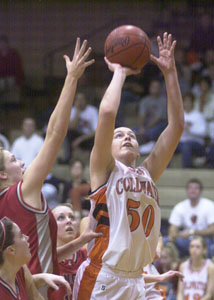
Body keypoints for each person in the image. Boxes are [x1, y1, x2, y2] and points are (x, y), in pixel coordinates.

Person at [73, 32, 184, 300]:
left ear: (138, 148)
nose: (127, 137)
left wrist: (170, 74)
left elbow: (177, 126)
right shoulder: (104, 170)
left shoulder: (147, 171)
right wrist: (120, 71)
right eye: (119, 135)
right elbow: (108, 113)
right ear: (106, 146)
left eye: (132, 135)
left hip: (137, 277)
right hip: (103, 276)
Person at [0, 38, 94, 299]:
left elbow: (43, 254)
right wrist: (71, 79)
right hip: (37, 292)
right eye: (15, 160)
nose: (22, 162)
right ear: (3, 175)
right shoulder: (22, 191)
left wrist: (76, 243)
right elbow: (54, 133)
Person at [0, 216, 71, 300]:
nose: (27, 237)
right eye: (20, 235)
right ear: (11, 250)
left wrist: (42, 277)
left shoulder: (21, 269)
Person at [51, 203, 96, 300]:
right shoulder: (45, 257)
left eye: (72, 217)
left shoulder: (86, 255)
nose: (69, 221)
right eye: (61, 218)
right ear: (49, 226)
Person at [166, 178, 214, 258]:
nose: (193, 190)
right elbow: (173, 228)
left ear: (200, 191)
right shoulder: (180, 206)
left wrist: (192, 232)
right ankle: (173, 267)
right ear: (187, 190)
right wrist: (173, 234)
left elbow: (212, 230)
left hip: (205, 240)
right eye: (190, 188)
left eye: (196, 188)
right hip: (186, 241)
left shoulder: (209, 205)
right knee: (165, 241)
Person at [178, 92, 207, 168]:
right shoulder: (180, 116)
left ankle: (187, 170)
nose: (187, 103)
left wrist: (189, 129)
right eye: (185, 101)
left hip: (196, 142)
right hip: (181, 141)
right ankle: (165, 170)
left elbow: (203, 132)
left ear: (192, 102)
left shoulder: (198, 115)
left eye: (189, 101)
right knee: (168, 144)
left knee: (186, 146)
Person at [0, 35, 24, 108]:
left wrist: (18, 82)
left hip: (11, 78)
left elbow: (18, 69)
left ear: (7, 44)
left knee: (2, 83)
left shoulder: (14, 54)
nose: (2, 45)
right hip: (1, 78)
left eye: (3, 43)